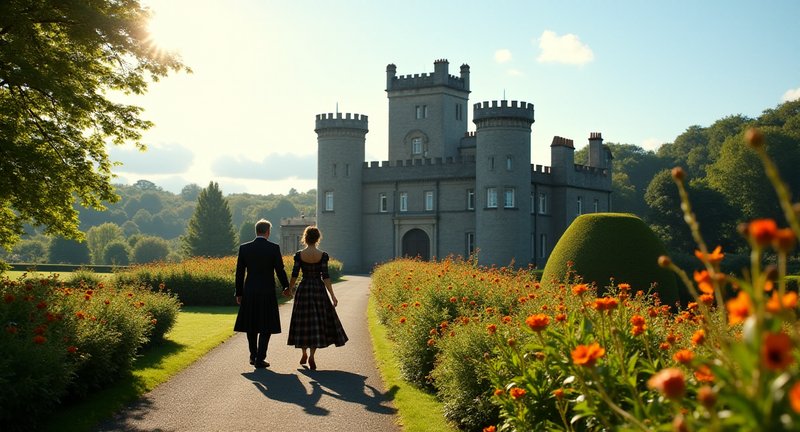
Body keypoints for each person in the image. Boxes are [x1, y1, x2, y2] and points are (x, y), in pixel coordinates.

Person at [284, 226, 348, 370]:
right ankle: (312, 355)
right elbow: (325, 276)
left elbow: (295, 274)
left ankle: (304, 352)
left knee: (303, 322)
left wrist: (290, 288)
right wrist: (332, 295)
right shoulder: (323, 255)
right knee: (316, 323)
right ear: (317, 238)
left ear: (305, 238)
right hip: (318, 290)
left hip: (304, 289)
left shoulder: (299, 255)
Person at [233, 219, 289, 368]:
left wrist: (238, 292)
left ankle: (253, 355)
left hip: (250, 291)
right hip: (267, 291)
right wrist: (286, 287)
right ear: (268, 232)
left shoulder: (244, 248)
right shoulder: (273, 248)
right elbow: (280, 270)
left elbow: (239, 273)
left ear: (256, 231)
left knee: (251, 325)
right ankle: (260, 358)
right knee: (266, 325)